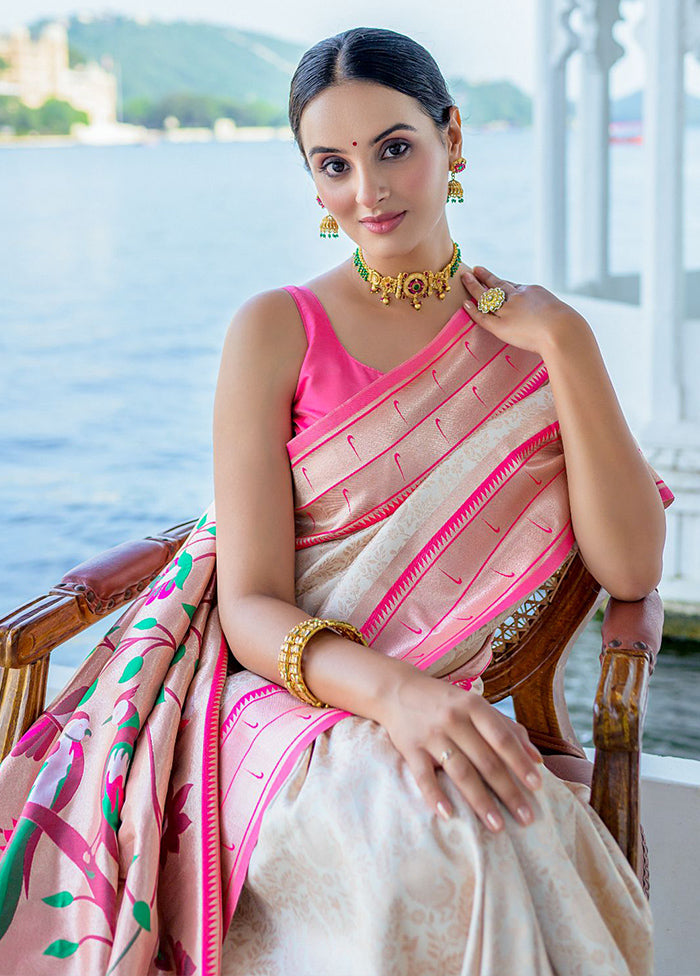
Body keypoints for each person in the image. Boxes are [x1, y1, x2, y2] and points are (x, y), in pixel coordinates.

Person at [0, 26, 672, 976]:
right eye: (335, 164)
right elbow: (250, 606)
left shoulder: (534, 343)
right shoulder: (277, 329)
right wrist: (396, 697)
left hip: (446, 701)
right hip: (282, 701)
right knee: (443, 837)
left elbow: (633, 568)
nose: (370, 191)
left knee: (469, 825)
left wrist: (566, 342)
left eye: (395, 147)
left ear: (453, 140)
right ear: (312, 183)